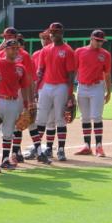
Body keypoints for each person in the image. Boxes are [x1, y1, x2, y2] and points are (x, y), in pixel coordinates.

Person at [35, 22, 76, 162]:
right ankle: (39, 149)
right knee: (41, 119)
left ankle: (61, 150)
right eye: (51, 32)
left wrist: (70, 95)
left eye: (56, 32)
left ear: (61, 33)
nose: (53, 34)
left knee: (60, 118)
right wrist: (36, 89)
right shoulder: (45, 50)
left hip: (61, 87)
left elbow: (71, 75)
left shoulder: (68, 50)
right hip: (46, 87)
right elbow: (40, 71)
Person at [74, 29, 112, 157]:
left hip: (97, 87)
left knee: (96, 117)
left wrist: (109, 92)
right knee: (84, 117)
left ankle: (99, 147)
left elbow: (107, 74)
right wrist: (70, 90)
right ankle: (86, 146)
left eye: (102, 41)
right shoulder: (79, 51)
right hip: (82, 87)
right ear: (91, 38)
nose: (100, 43)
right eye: (97, 40)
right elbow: (73, 70)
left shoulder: (105, 54)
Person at [0, 39, 33, 169]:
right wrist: (0, 46)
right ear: (5, 49)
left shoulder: (20, 67)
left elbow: (24, 87)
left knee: (8, 133)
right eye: (12, 48)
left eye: (17, 48)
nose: (15, 51)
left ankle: (5, 160)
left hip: (13, 102)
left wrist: (26, 105)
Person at [23, 29, 53, 162]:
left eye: (47, 38)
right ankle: (38, 147)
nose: (45, 41)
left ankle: (50, 148)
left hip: (54, 89)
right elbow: (32, 76)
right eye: (43, 38)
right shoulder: (35, 55)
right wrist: (33, 92)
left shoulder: (56, 52)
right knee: (38, 120)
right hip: (39, 90)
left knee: (52, 120)